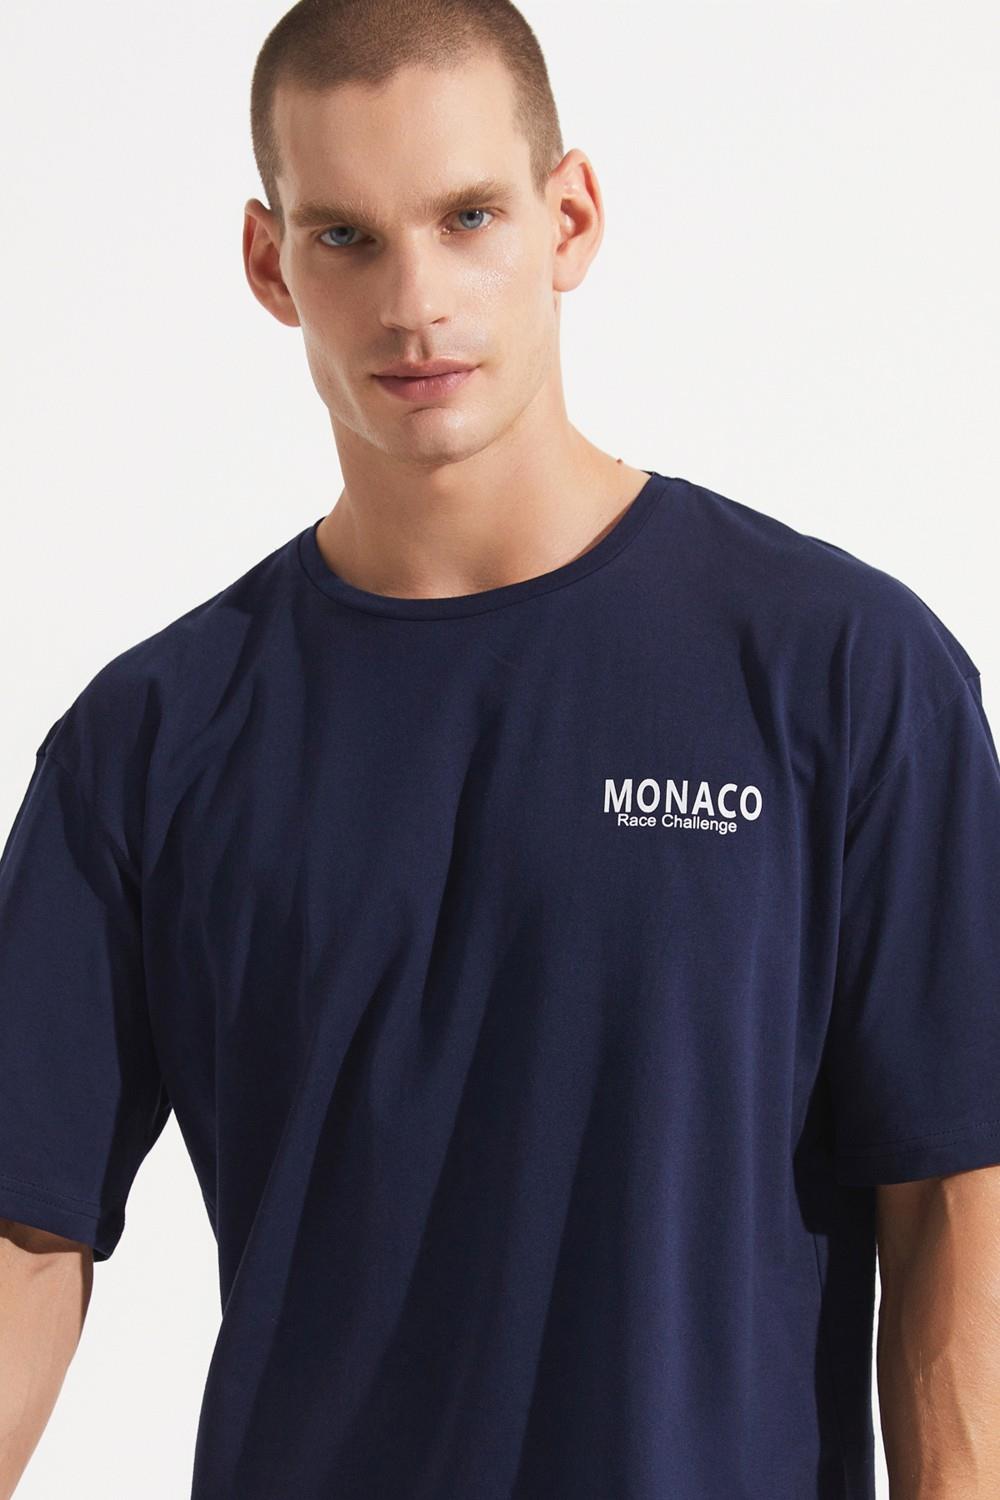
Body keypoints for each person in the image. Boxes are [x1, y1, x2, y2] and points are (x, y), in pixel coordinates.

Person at [1, 0, 998, 1495]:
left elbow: (955, 1198)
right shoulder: (148, 741)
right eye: (347, 238)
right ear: (271, 264)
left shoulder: (843, 672)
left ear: (567, 217)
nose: (414, 303)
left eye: (468, 217)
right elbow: (24, 1232)